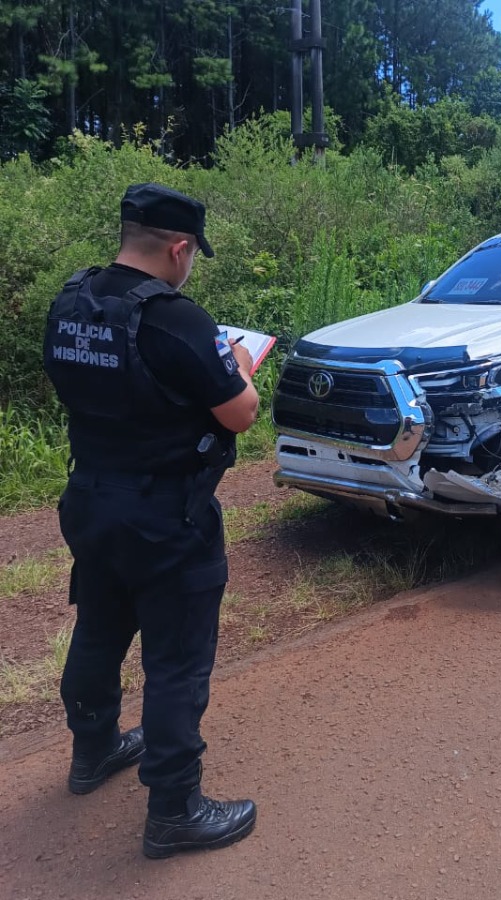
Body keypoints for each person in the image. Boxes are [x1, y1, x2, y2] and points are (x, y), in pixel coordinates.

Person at [43, 182, 260, 859]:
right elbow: (241, 412)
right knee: (177, 660)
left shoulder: (70, 302)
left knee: (100, 626)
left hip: (90, 500)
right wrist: (240, 365)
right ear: (178, 248)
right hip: (167, 514)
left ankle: (94, 750)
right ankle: (173, 809)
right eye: (192, 254)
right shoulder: (179, 321)